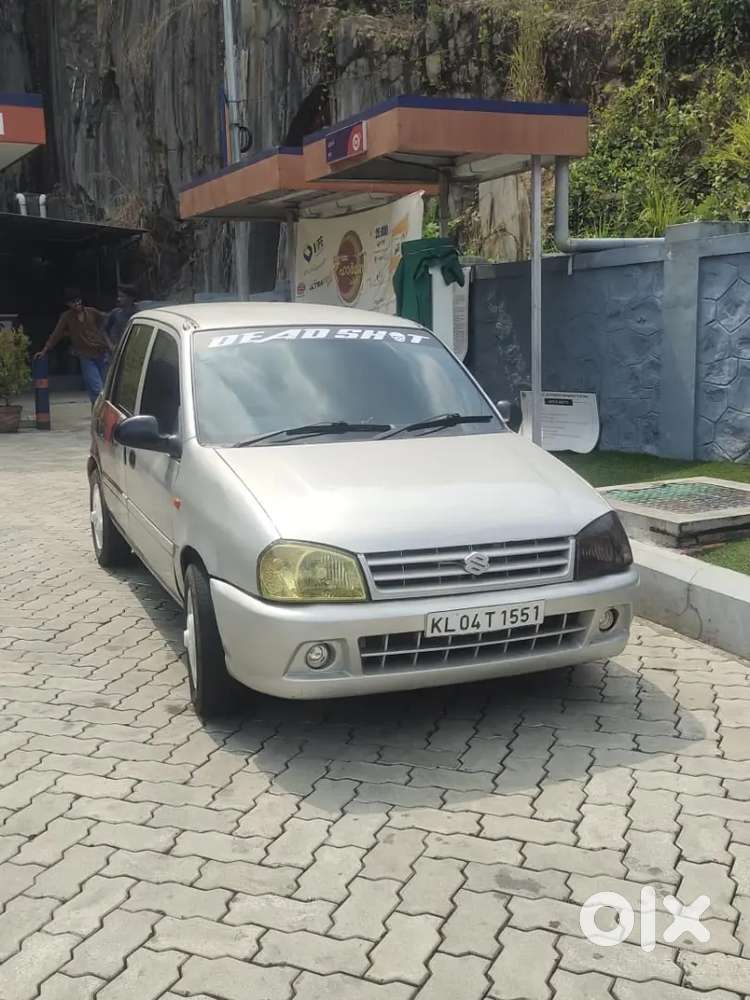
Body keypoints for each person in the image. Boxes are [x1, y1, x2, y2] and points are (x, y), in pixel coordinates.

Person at [35, 288, 113, 404]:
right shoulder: (66, 317)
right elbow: (56, 334)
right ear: (68, 304)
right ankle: (99, 410)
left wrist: (109, 339)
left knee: (107, 387)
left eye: (78, 301)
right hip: (86, 356)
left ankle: (101, 411)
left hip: (101, 352)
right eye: (73, 302)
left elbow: (108, 319)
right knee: (96, 387)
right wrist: (45, 350)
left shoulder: (92, 312)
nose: (77, 304)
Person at [105, 284, 137, 351]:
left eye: (122, 296)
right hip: (117, 352)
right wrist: (110, 345)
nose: (118, 299)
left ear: (131, 298)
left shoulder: (137, 315)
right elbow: (104, 330)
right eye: (119, 296)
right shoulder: (115, 313)